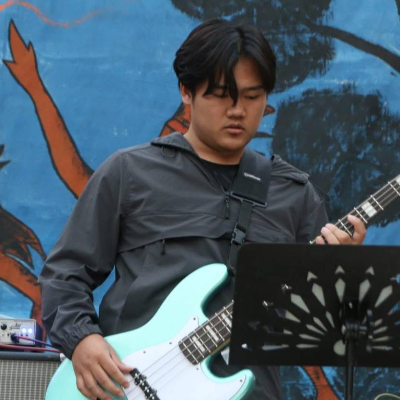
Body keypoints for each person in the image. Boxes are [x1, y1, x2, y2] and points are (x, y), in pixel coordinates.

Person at [39, 18, 366, 400]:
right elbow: (65, 274)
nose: (237, 110)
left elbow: (320, 330)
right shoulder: (129, 173)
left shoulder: (295, 194)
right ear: (186, 91)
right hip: (133, 388)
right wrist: (82, 339)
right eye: (221, 95)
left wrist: (341, 273)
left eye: (252, 96)